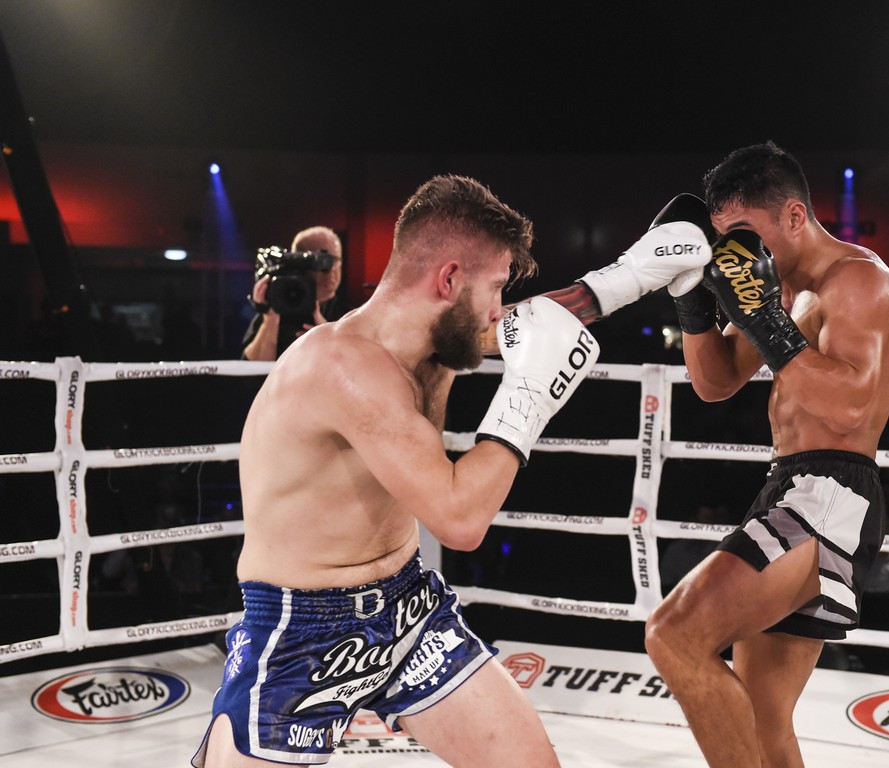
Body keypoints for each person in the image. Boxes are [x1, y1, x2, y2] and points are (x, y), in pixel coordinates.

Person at [192, 174, 711, 767]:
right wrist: (528, 397)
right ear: (449, 279)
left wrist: (635, 273)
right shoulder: (344, 368)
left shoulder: (434, 334)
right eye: (494, 288)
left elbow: (534, 321)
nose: (497, 311)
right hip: (301, 633)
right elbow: (460, 521)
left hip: (408, 609)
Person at [644, 141, 889, 767]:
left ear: (793, 215)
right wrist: (691, 301)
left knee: (674, 635)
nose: (733, 251)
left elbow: (847, 408)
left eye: (743, 232)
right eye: (724, 238)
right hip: (789, 484)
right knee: (763, 721)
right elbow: (714, 383)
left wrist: (764, 318)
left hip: (832, 493)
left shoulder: (859, 281)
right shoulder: (779, 287)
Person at [241, 225, 347, 361]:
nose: (331, 270)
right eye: (321, 261)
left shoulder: (352, 317)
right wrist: (270, 321)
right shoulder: (276, 310)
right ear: (299, 262)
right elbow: (252, 370)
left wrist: (328, 338)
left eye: (335, 260)